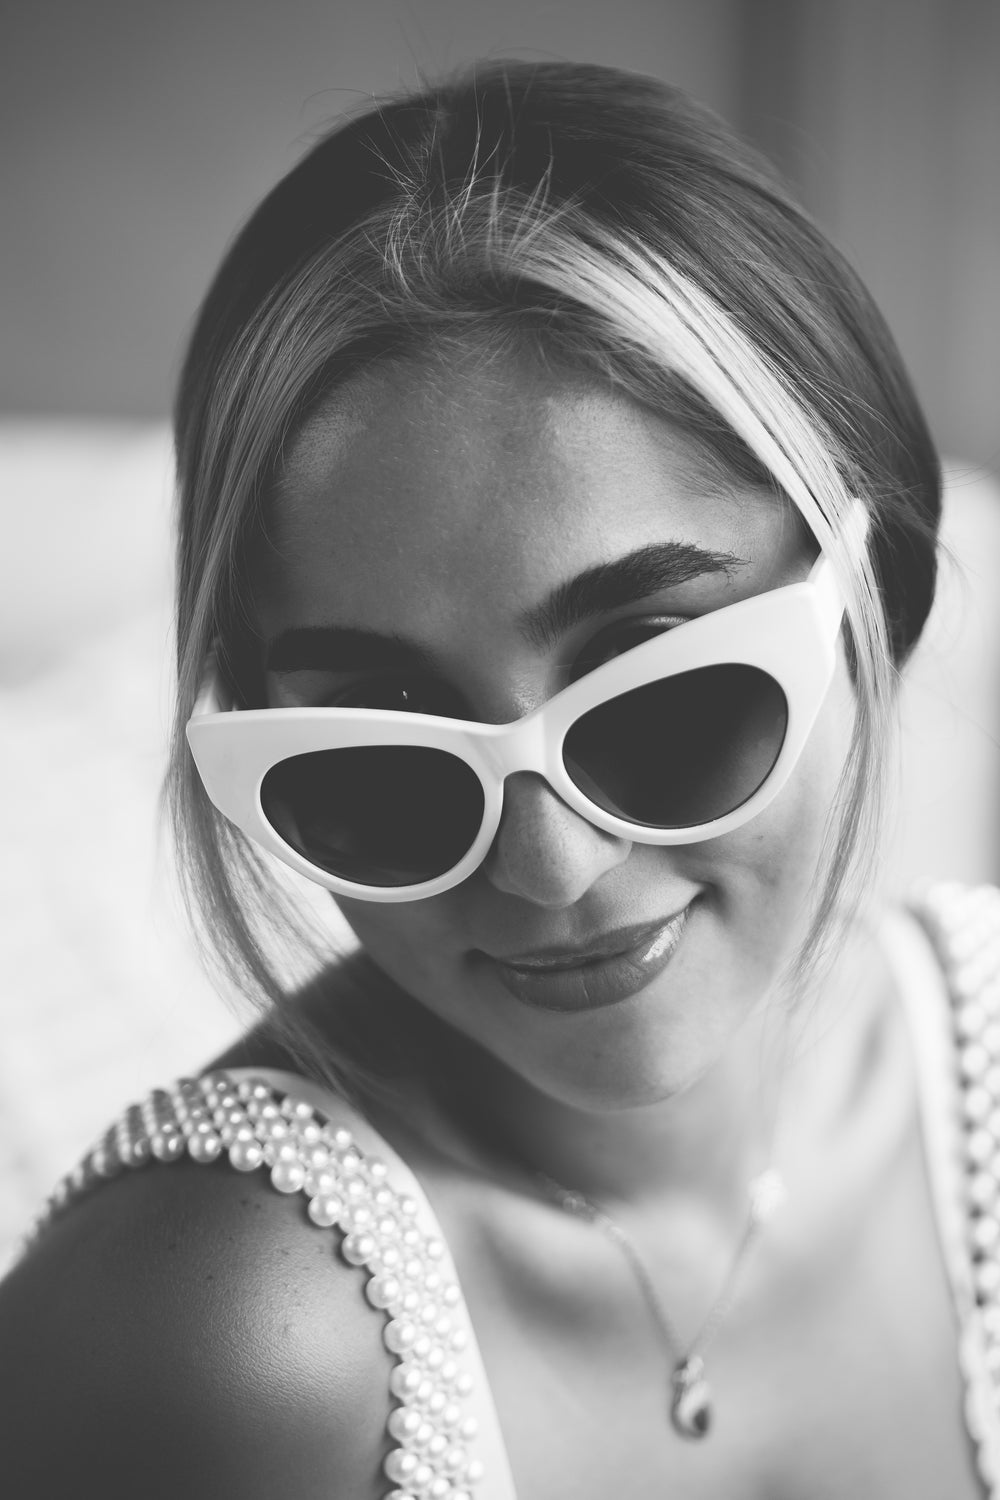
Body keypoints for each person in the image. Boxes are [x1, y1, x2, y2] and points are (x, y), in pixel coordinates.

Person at [1, 57, 998, 1500]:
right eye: (386, 752)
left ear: (872, 593)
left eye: (658, 694)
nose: (552, 869)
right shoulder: (228, 1339)